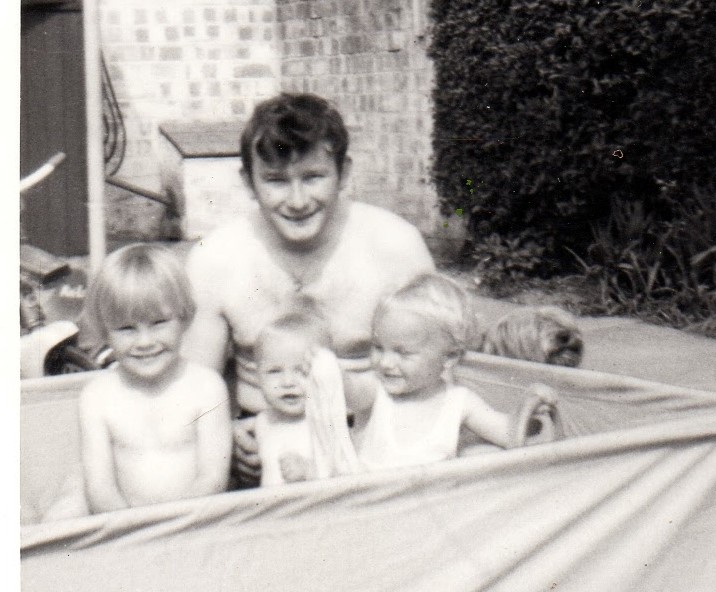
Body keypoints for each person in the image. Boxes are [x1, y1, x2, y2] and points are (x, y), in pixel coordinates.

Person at [182, 93, 435, 479]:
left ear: (343, 173)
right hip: (263, 451)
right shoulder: (215, 259)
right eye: (276, 180)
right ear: (248, 182)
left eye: (313, 177)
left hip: (381, 448)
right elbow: (194, 386)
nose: (297, 201)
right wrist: (227, 435)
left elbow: (442, 373)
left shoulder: (396, 248)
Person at [77, 244, 232, 514]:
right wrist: (132, 530)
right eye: (127, 328)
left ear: (184, 318)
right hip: (124, 528)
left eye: (159, 323)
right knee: (67, 506)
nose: (145, 342)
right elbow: (100, 489)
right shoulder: (96, 398)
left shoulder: (207, 388)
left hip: (195, 523)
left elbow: (213, 478)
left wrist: (172, 527)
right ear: (105, 331)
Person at [348, 273, 559, 471]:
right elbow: (347, 388)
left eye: (403, 353)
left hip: (435, 497)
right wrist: (329, 366)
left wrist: (530, 405)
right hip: (371, 497)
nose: (385, 362)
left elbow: (510, 434)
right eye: (378, 347)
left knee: (483, 453)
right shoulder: (375, 389)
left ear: (449, 358)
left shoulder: (459, 401)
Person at [254, 308, 358, 487]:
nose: (288, 382)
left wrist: (310, 471)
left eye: (301, 371)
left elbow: (347, 471)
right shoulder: (264, 421)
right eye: (274, 371)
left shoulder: (329, 418)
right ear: (258, 376)